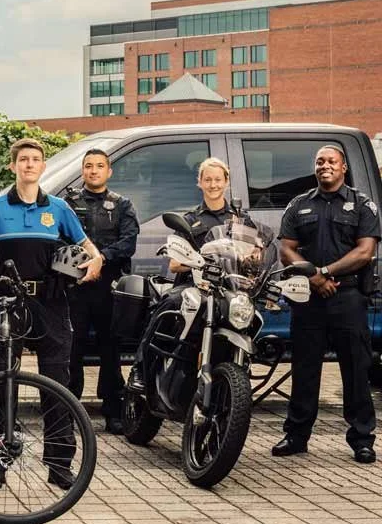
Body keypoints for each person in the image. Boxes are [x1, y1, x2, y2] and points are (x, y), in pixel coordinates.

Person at [0, 137, 103, 490]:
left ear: (42, 166)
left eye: (35, 159)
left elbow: (89, 248)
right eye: (23, 160)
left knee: (57, 384)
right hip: (8, 302)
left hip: (51, 303)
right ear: (13, 166)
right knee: (0, 384)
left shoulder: (59, 208)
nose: (29, 164)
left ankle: (59, 464)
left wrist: (95, 262)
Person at [272, 144, 379, 463]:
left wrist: (326, 272)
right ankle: (296, 435)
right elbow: (286, 249)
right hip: (309, 297)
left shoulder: (362, 205)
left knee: (356, 368)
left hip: (348, 296)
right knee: (304, 368)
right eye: (320, 161)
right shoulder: (299, 204)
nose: (325, 165)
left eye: (332, 161)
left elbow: (365, 251)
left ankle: (362, 439)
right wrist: (313, 276)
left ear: (344, 167)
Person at [131, 157, 252, 390]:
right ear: (200, 183)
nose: (213, 184)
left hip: (229, 288)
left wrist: (254, 259)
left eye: (218, 179)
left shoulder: (240, 218)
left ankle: (240, 373)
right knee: (166, 305)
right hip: (194, 286)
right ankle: (140, 368)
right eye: (208, 180)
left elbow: (253, 253)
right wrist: (199, 263)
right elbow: (175, 265)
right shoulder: (189, 220)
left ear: (226, 182)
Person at [64, 148, 139, 435]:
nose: (93, 171)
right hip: (75, 285)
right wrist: (82, 265)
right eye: (88, 166)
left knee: (110, 348)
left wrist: (101, 259)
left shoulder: (122, 205)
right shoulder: (69, 204)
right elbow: (59, 238)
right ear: (83, 170)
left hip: (109, 286)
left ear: (109, 171)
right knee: (73, 348)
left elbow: (128, 243)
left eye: (99, 166)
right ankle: (70, 410)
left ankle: (113, 411)